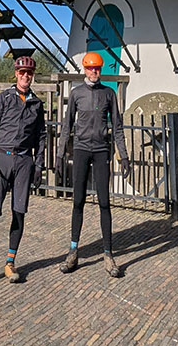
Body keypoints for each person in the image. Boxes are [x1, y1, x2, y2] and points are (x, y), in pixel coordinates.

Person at [0, 55, 47, 291]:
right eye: (22, 72)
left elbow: (42, 138)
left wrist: (39, 166)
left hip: (24, 161)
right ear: (15, 74)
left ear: (33, 76)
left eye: (29, 73)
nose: (26, 76)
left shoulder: (37, 104)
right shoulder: (3, 99)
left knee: (19, 213)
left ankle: (10, 263)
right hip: (2, 160)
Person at [56, 51, 130, 278]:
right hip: (80, 149)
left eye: (97, 68)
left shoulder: (109, 93)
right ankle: (73, 250)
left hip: (100, 150)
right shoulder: (76, 93)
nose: (94, 72)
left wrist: (123, 155)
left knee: (104, 202)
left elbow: (117, 126)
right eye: (90, 68)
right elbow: (67, 125)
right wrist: (60, 154)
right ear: (84, 69)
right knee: (77, 200)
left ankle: (108, 253)